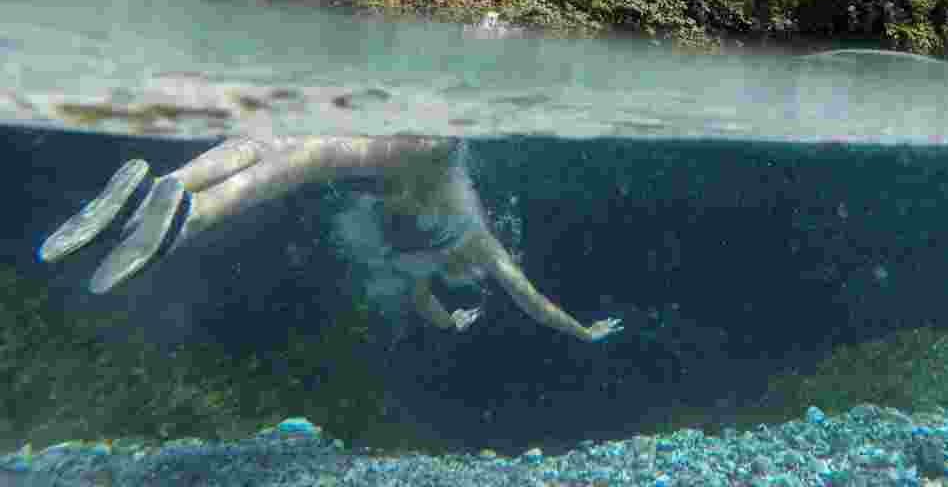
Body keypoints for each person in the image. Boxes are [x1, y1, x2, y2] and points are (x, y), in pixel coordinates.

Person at [40, 136, 624, 343]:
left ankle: (163, 187)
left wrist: (452, 322)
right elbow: (527, 300)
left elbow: (456, 302)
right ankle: (188, 215)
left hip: (402, 145)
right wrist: (583, 330)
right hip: (412, 149)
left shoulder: (449, 256)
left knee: (268, 143)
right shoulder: (461, 252)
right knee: (294, 165)